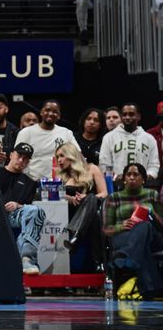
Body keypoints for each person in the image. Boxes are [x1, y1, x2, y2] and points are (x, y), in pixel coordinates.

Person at [0, 143, 45, 275]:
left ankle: (28, 259)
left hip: (14, 216)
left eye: (26, 159)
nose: (21, 160)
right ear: (11, 155)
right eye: (19, 156)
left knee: (36, 210)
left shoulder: (30, 183)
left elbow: (28, 208)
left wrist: (18, 205)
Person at [103, 163, 163, 298]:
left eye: (136, 175)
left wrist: (152, 214)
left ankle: (127, 258)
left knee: (145, 226)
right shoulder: (113, 198)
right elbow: (106, 229)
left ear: (143, 180)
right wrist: (121, 226)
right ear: (124, 178)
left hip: (153, 236)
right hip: (124, 236)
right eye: (128, 175)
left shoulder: (153, 195)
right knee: (142, 247)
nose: (131, 178)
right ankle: (151, 289)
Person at [56, 142, 108, 268]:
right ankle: (98, 264)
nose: (59, 160)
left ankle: (76, 236)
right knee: (94, 216)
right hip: (70, 211)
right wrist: (68, 197)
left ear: (71, 155)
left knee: (90, 198)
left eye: (62, 156)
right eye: (57, 157)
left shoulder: (92, 168)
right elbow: (55, 195)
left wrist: (86, 197)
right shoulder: (61, 175)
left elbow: (104, 193)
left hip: (90, 210)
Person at [14, 100, 79, 181]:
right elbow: (16, 158)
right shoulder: (26, 132)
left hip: (59, 182)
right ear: (41, 112)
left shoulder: (66, 133)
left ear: (59, 116)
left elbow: (78, 155)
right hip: (31, 182)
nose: (51, 113)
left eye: (55, 111)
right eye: (47, 110)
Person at [99, 103, 160, 184]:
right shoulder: (109, 137)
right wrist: (115, 177)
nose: (127, 117)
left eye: (131, 114)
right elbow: (104, 164)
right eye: (124, 114)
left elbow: (154, 164)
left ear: (139, 116)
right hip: (117, 184)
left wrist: (147, 176)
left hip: (143, 185)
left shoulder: (149, 138)